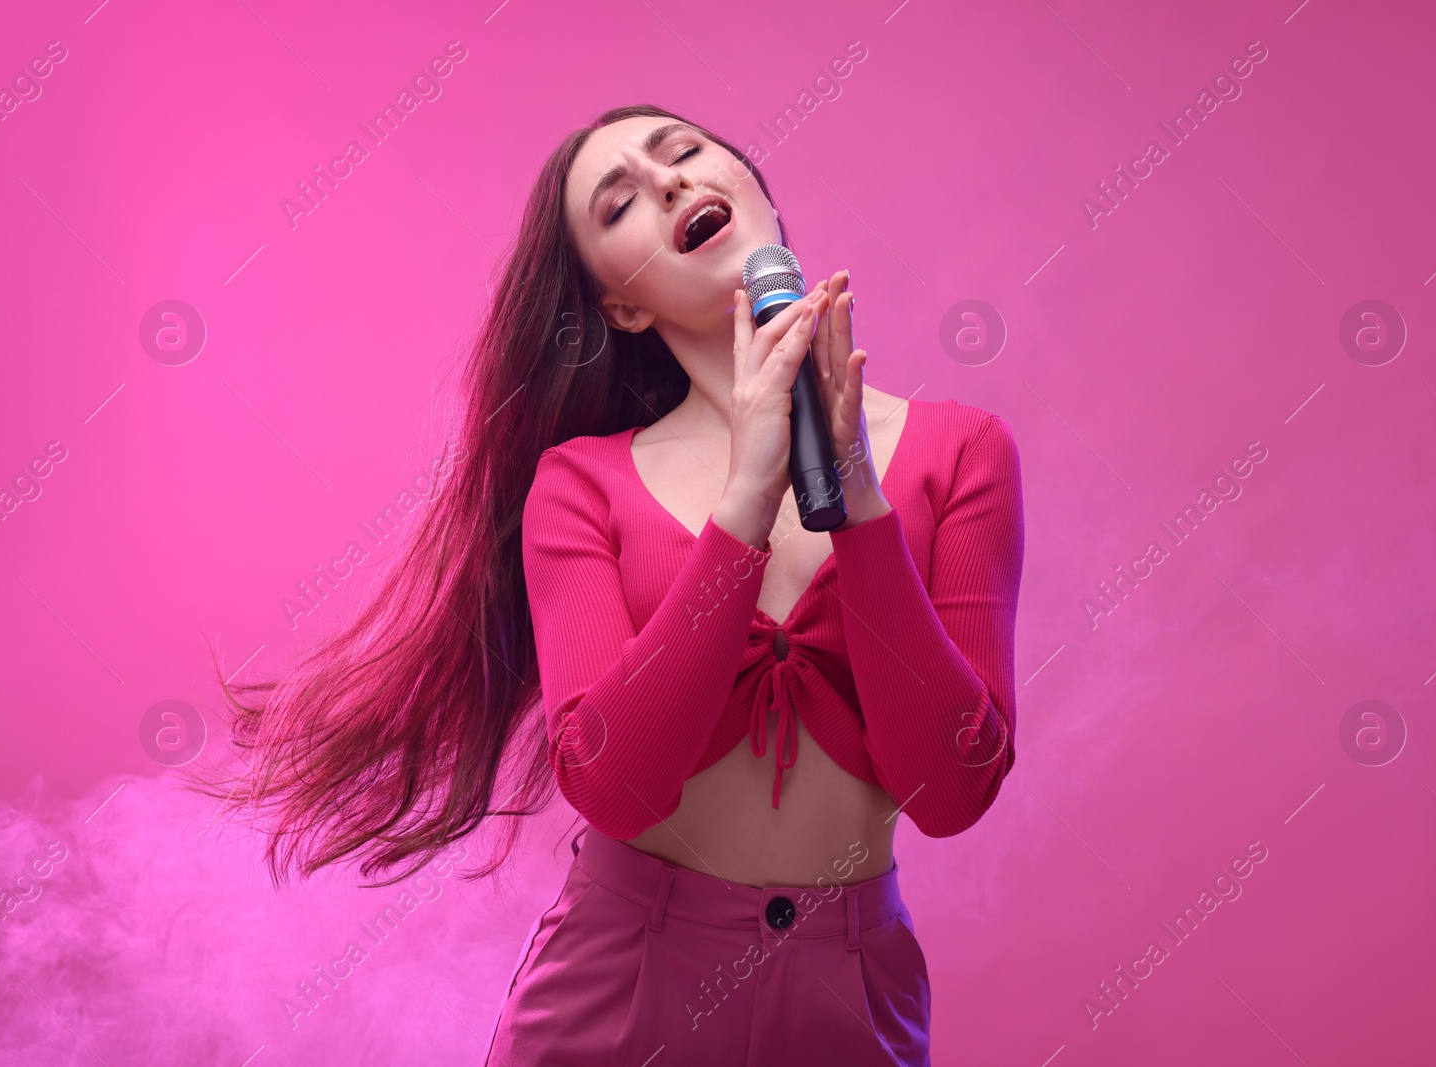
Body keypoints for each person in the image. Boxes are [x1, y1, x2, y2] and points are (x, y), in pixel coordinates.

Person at [201, 105, 1023, 1067]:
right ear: (621, 306)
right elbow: (617, 784)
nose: (670, 181)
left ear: (761, 196)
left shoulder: (964, 450)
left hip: (854, 996)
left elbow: (954, 787)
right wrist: (749, 497)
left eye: (684, 154)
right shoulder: (580, 485)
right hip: (622, 992)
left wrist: (860, 506)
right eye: (621, 201)